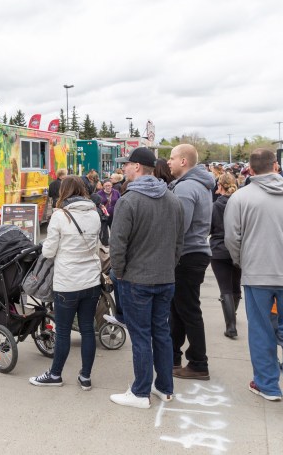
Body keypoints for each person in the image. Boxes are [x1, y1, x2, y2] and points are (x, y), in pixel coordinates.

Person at [224, 149, 283, 408]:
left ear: (250, 170)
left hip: (256, 274)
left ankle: (266, 384)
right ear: (276, 166)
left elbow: (232, 237)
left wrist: (243, 261)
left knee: (261, 329)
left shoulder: (240, 197)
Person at [108, 147, 184, 409]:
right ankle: (164, 387)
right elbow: (179, 243)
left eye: (126, 165)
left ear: (137, 167)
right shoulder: (172, 199)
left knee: (141, 336)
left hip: (137, 280)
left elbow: (117, 245)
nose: (123, 169)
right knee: (161, 332)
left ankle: (140, 392)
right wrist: (168, 267)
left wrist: (119, 273)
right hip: (165, 278)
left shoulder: (129, 201)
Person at [29, 176, 101, 390]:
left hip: (67, 283)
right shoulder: (94, 213)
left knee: (63, 331)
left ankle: (55, 374)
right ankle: (85, 377)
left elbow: (49, 251)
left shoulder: (60, 216)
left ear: (64, 192)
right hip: (91, 281)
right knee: (87, 329)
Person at [167, 144, 214, 380]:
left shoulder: (185, 188)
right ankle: (174, 357)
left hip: (187, 254)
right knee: (179, 310)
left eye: (172, 158)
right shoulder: (199, 185)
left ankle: (198, 362)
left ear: (183, 161)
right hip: (194, 252)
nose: (168, 162)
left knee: (187, 310)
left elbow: (178, 228)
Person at [210, 172, 241, 339]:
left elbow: (209, 228)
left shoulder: (215, 206)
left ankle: (231, 325)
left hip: (219, 249)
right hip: (238, 249)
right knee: (236, 287)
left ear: (220, 186)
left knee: (225, 289)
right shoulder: (241, 203)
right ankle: (232, 314)